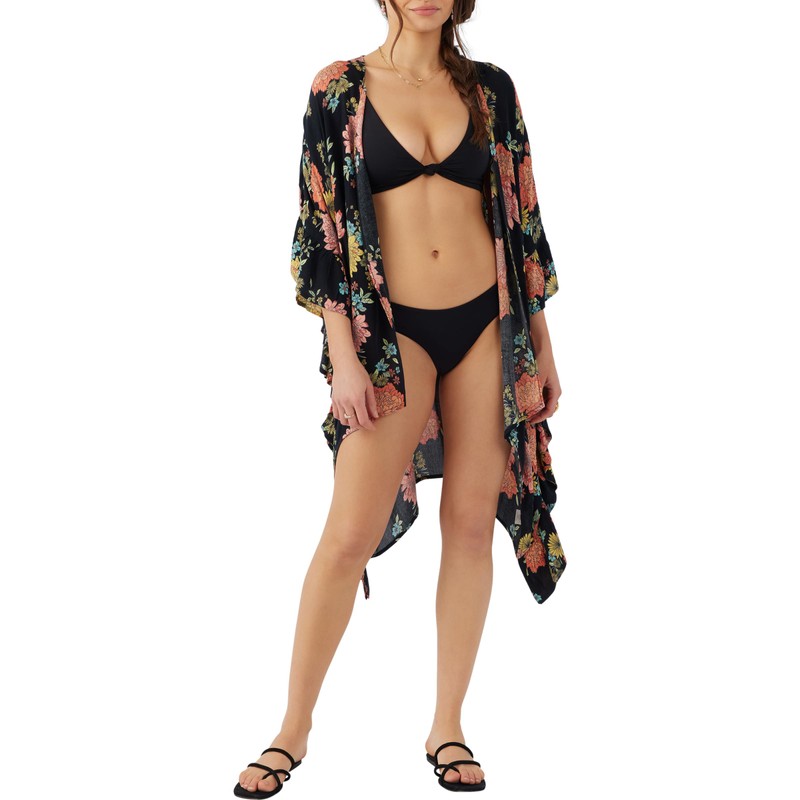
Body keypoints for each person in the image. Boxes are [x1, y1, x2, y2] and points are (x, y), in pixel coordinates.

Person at [234, 1, 565, 796]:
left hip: (486, 324)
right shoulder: (339, 89)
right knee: (347, 536)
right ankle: (291, 731)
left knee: (471, 528)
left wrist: (542, 346)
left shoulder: (491, 89)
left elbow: (521, 217)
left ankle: (448, 726)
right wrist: (344, 360)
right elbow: (320, 227)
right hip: (389, 335)